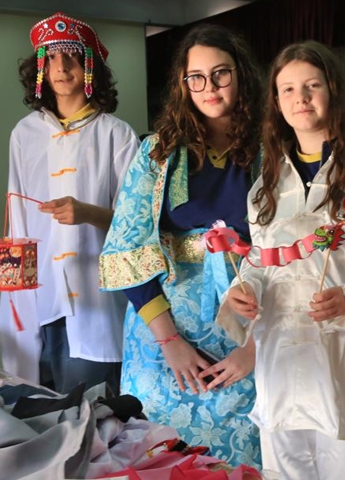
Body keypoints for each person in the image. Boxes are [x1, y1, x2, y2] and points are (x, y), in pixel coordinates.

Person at [217, 41, 345, 479]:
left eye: (312, 85)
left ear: (332, 90)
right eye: (288, 89)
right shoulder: (267, 180)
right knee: (287, 467)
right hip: (283, 355)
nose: (301, 98)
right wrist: (245, 290)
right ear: (276, 102)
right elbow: (260, 260)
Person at [99, 24, 262, 467]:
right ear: (183, 84)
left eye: (221, 74)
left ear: (242, 75)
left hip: (249, 321)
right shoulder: (157, 153)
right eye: (196, 77)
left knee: (246, 451)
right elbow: (125, 252)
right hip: (162, 332)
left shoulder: (270, 149)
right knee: (165, 453)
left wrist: (259, 345)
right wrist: (169, 340)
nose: (208, 87)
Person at [0, 12, 139, 396]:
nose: (61, 67)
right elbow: (17, 216)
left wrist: (88, 213)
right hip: (39, 290)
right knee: (41, 395)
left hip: (97, 295)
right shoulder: (24, 134)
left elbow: (137, 224)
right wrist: (11, 285)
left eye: (72, 56)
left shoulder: (116, 135)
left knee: (92, 406)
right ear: (40, 69)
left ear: (89, 66)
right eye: (51, 58)